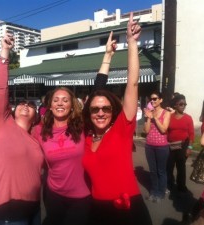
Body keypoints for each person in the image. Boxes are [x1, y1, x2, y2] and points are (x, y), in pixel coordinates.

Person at [82, 13, 152, 225]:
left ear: (114, 112)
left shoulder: (121, 130)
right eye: (95, 110)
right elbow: (96, 92)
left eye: (106, 108)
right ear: (89, 113)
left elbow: (132, 83)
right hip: (97, 210)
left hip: (128, 208)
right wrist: (107, 57)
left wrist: (131, 43)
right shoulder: (86, 136)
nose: (100, 112)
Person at [0, 33, 44, 225]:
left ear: (36, 116)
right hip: (4, 212)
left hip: (33, 208)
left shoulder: (36, 137)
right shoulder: (2, 124)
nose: (26, 105)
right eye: (21, 103)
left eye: (31, 105)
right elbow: (1, 89)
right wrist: (5, 53)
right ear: (13, 110)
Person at [34, 85, 91, 225]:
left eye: (65, 100)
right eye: (56, 100)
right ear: (50, 105)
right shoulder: (39, 131)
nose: (60, 103)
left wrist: (106, 62)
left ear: (72, 106)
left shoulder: (83, 126)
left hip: (81, 197)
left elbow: (97, 91)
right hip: (53, 195)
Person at [144, 91, 171, 202]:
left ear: (161, 100)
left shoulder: (166, 113)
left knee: (161, 171)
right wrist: (149, 118)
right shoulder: (149, 112)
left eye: (155, 98)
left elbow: (164, 129)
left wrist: (154, 118)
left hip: (162, 147)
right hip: (149, 146)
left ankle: (161, 192)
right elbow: (146, 131)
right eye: (151, 99)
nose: (152, 101)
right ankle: (154, 191)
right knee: (153, 171)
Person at [167, 94, 194, 193]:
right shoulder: (169, 117)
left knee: (181, 167)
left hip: (183, 146)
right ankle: (169, 184)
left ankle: (181, 186)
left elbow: (191, 134)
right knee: (169, 166)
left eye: (185, 104)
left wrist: (189, 147)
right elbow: (166, 131)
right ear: (175, 105)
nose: (183, 106)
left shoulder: (188, 118)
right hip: (171, 145)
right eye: (181, 104)